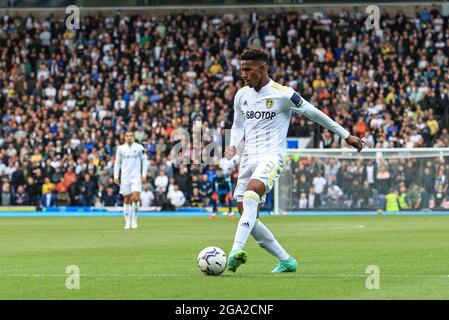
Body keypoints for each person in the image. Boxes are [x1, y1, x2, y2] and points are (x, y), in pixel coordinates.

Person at [225, 49, 365, 273]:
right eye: (242, 69)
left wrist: (345, 134)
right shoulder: (241, 95)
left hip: (271, 156)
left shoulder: (284, 94)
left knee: (252, 195)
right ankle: (286, 260)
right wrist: (232, 143)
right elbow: (238, 124)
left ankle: (235, 251)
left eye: (247, 69)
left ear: (262, 69)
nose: (243, 74)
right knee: (247, 214)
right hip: (247, 158)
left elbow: (315, 113)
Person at [114, 131, 149, 230]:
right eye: (127, 136)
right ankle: (127, 222)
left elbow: (144, 160)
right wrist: (116, 176)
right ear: (124, 137)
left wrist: (144, 174)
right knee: (126, 200)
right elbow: (117, 162)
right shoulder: (120, 148)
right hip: (125, 177)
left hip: (136, 177)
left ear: (133, 137)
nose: (129, 137)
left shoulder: (139, 147)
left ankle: (134, 219)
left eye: (130, 136)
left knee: (136, 197)